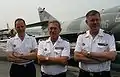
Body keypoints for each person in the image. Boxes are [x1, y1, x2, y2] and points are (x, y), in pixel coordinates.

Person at [74, 10, 117, 77]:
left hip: (103, 74)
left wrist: (88, 54)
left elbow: (112, 56)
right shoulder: (81, 37)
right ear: (87, 22)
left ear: (100, 20)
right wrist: (102, 59)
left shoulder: (109, 36)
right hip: (84, 74)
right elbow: (76, 57)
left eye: (97, 20)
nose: (95, 22)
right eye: (92, 20)